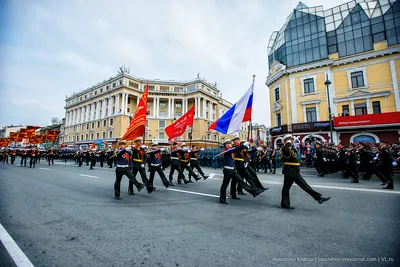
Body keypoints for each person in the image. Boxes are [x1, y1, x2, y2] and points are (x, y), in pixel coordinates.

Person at [280, 134, 331, 209]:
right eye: (291, 139)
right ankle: (285, 204)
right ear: (287, 140)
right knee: (286, 188)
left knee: (305, 186)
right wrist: (287, 143)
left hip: (295, 170)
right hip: (289, 171)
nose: (292, 141)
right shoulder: (285, 148)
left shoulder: (292, 148)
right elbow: (286, 152)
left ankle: (319, 198)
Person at [219, 139, 264, 204]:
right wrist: (242, 145)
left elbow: (244, 151)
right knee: (225, 185)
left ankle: (253, 192)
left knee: (241, 181)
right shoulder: (226, 151)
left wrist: (255, 149)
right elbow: (234, 149)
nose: (231, 144)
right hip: (227, 170)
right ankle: (222, 199)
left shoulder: (231, 150)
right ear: (226, 145)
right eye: (229, 143)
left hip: (233, 170)